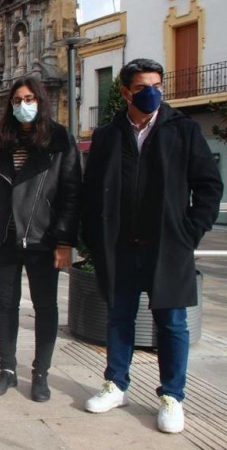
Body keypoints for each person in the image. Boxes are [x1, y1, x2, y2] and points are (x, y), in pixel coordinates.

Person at [81, 59, 223, 433]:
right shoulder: (108, 135)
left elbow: (209, 186)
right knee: (118, 317)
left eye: (157, 84)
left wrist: (188, 232)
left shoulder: (183, 130)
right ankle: (116, 385)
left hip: (168, 248)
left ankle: (172, 396)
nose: (153, 92)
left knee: (172, 325)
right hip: (121, 247)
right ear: (126, 92)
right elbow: (91, 191)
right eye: (143, 86)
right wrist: (94, 240)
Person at [0, 76, 81, 402]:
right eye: (17, 100)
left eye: (29, 98)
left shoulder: (60, 141)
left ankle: (41, 373)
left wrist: (64, 241)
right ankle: (7, 370)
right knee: (6, 305)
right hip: (4, 237)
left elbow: (71, 193)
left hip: (42, 240)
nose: (23, 105)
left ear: (41, 101)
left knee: (45, 307)